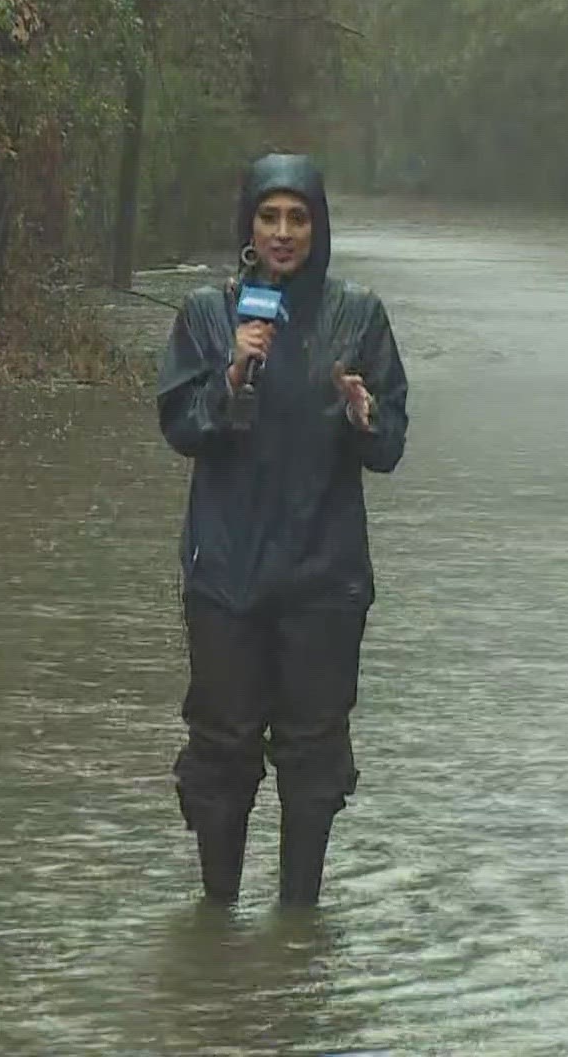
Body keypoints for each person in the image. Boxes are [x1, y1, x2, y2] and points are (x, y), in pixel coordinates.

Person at [156, 153, 410, 907]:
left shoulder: (357, 317)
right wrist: (231, 373)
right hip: (226, 573)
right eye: (269, 216)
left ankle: (299, 926)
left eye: (298, 217)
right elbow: (182, 427)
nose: (283, 232)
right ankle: (218, 917)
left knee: (314, 754)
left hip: (324, 578)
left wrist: (364, 417)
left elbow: (391, 442)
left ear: (319, 227)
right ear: (247, 225)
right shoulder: (208, 314)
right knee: (221, 748)